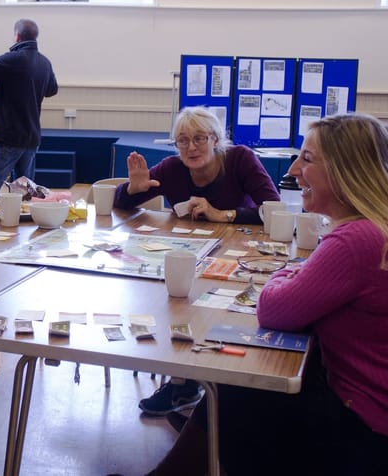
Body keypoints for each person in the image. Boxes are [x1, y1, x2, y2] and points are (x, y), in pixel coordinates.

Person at [145, 113, 388, 476]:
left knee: (238, 388)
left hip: (379, 430)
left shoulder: (355, 240)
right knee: (236, 389)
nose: (294, 168)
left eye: (307, 158)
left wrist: (288, 270)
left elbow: (273, 307)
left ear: (344, 170)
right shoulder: (386, 222)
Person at [114, 106, 281, 417]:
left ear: (215, 139)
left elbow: (274, 208)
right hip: (191, 254)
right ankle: (183, 384)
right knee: (174, 302)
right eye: (183, 141)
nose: (191, 148)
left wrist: (225, 215)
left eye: (200, 139)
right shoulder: (172, 168)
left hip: (239, 256)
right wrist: (131, 189)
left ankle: (221, 382)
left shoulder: (240, 159)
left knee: (219, 311)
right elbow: (122, 204)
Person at [0, 18, 58, 197]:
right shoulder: (45, 62)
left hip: (10, 137)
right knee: (25, 190)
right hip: (31, 137)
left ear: (17, 36)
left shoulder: (12, 59)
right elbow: (52, 90)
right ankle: (21, 224)